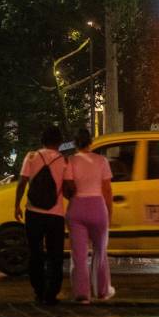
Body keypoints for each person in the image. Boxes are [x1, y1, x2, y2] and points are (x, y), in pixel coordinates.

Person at [14, 126, 68, 306]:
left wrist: (16, 206)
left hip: (33, 212)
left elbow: (22, 182)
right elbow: (68, 189)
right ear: (59, 142)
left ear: (42, 140)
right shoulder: (64, 160)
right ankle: (52, 293)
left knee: (35, 253)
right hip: (56, 214)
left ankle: (38, 290)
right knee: (55, 255)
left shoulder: (31, 156)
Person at [64, 128, 115, 304]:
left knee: (79, 255)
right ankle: (101, 290)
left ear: (76, 143)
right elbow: (107, 189)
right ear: (90, 142)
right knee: (100, 252)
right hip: (97, 207)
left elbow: (68, 186)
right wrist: (109, 211)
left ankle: (82, 293)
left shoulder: (71, 161)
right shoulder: (101, 161)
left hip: (77, 207)